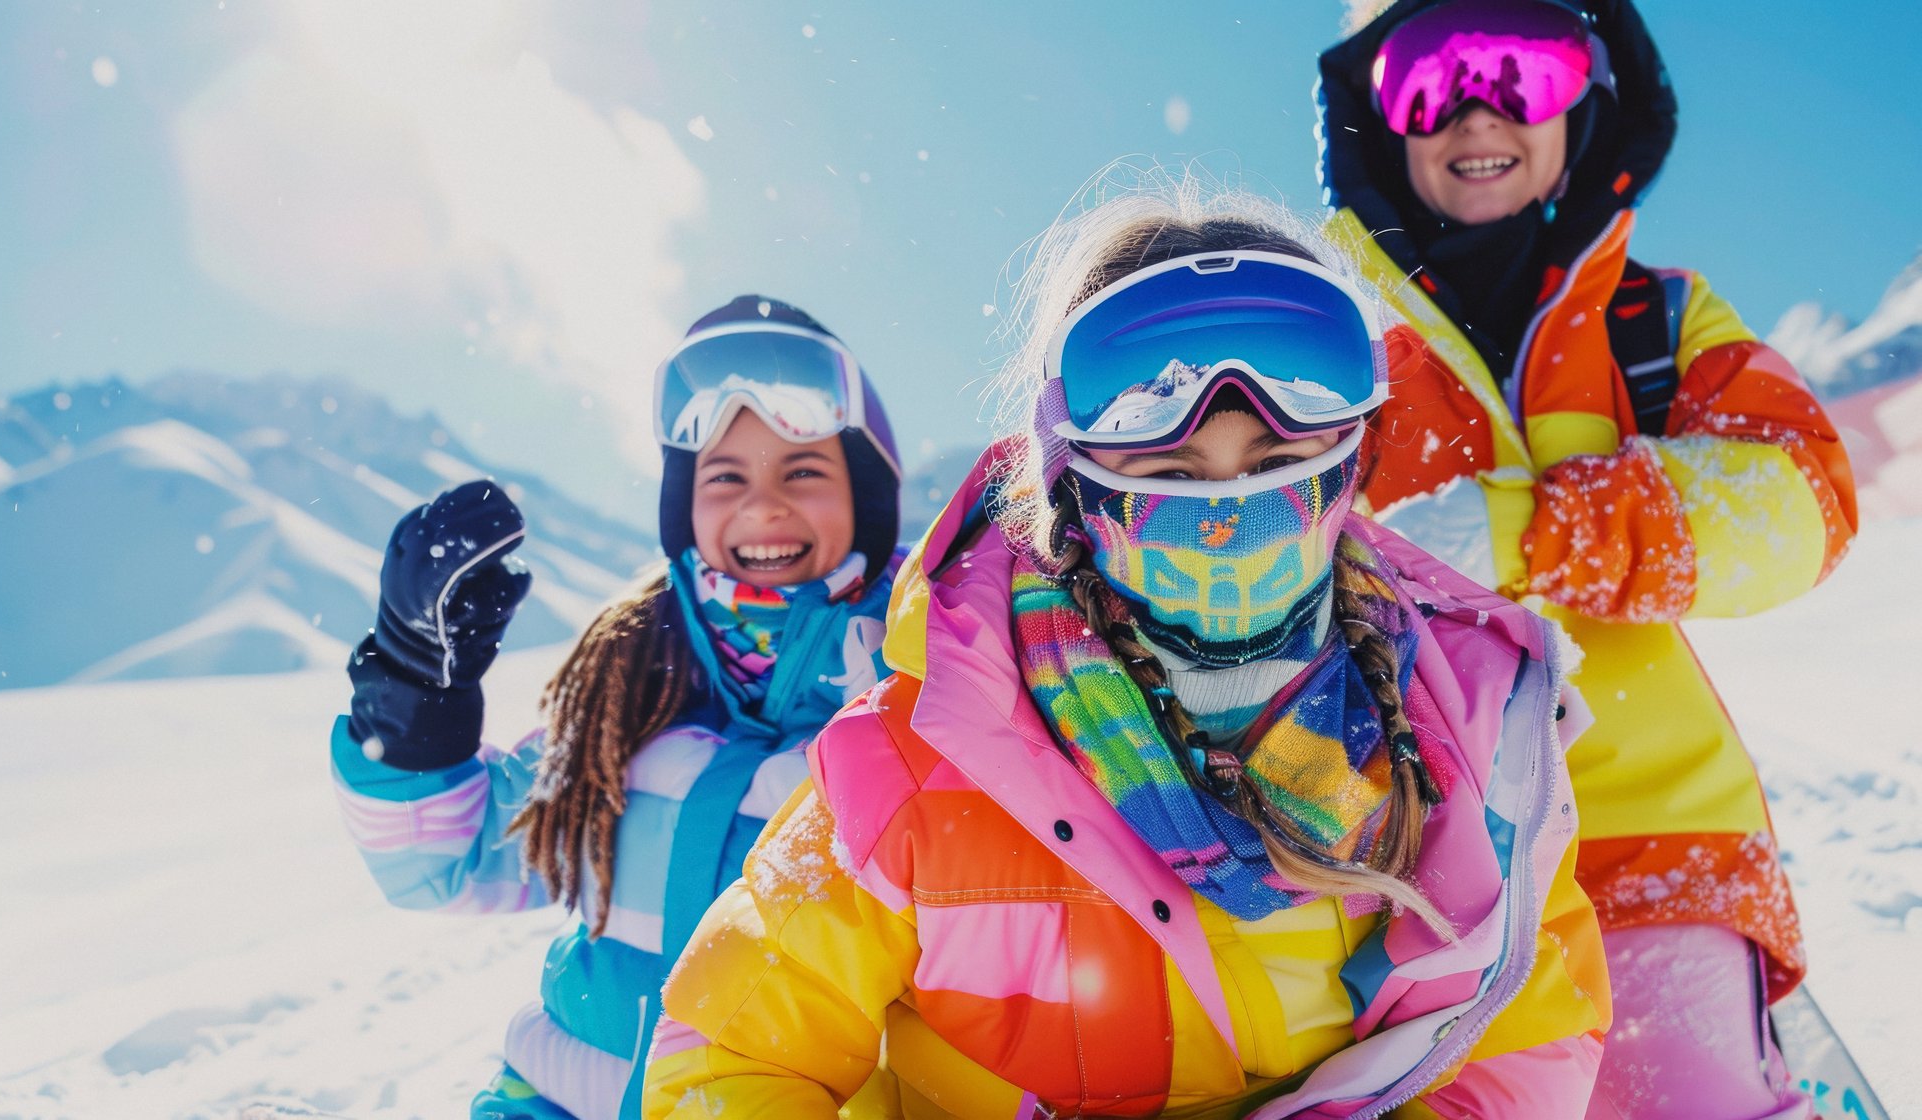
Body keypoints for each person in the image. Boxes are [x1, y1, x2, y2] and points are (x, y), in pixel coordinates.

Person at [644, 187, 1609, 1119]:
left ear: (1350, 463)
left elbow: (1524, 1036)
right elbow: (733, 1048)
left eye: (1277, 469)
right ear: (1077, 493)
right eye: (1171, 476)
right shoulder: (922, 760)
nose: (1229, 517)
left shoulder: (1465, 735)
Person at [1316, 2, 1857, 1115]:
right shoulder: (1351, 391)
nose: (1477, 109)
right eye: (1428, 74)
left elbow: (1800, 500)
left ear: (1588, 91)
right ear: (1373, 116)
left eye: (1520, 66)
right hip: (1443, 902)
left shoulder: (1650, 325)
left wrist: (1528, 530)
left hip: (1663, 852)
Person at [327, 295, 904, 1119]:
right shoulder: (630, 685)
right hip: (564, 1098)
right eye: (725, 476)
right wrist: (415, 688)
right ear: (682, 505)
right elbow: (445, 867)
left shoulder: (921, 682)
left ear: (869, 496)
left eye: (803, 470)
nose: (763, 504)